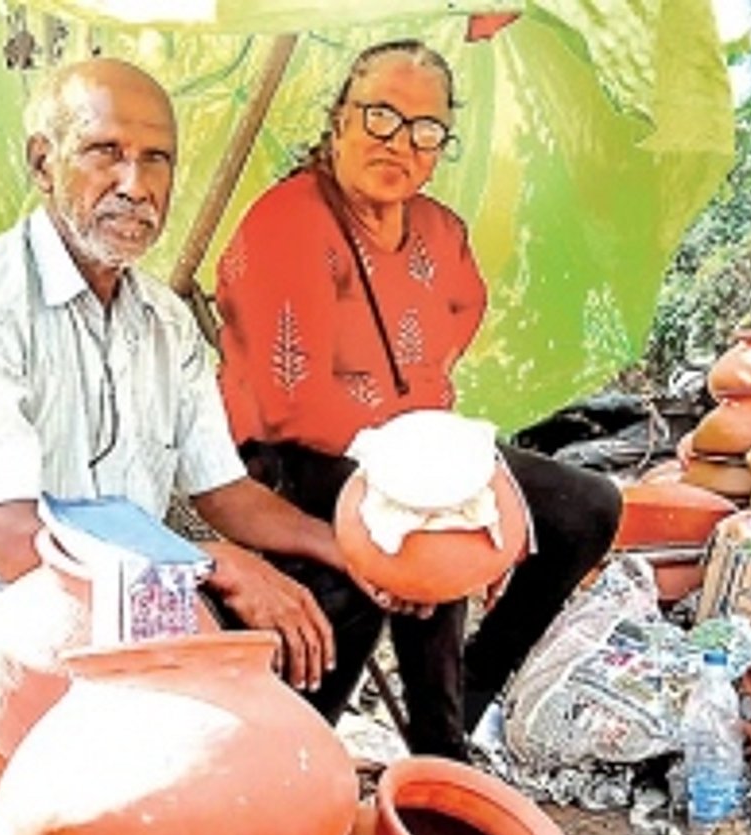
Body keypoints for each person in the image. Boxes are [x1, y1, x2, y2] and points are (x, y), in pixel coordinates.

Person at [0, 57, 362, 750]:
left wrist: (352, 553)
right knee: (114, 618)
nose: (135, 185)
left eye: (156, 160)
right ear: (43, 163)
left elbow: (225, 492)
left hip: (126, 599)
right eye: (104, 152)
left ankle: (273, 776)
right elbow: (18, 547)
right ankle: (184, 781)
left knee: (327, 588)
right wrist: (210, 564)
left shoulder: (165, 321)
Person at [214, 39, 622, 761]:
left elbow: (463, 311)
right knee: (432, 519)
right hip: (298, 453)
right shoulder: (290, 221)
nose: (399, 141)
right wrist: (418, 456)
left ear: (438, 148)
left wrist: (433, 441)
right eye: (380, 115)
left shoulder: (440, 231)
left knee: (584, 507)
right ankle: (435, 745)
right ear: (340, 119)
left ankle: (467, 697)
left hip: (414, 439)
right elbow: (290, 402)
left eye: (425, 129)